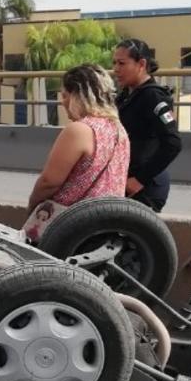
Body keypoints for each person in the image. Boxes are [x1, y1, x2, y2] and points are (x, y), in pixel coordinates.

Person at [22, 64, 130, 244]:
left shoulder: (79, 130)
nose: (62, 102)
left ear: (78, 95)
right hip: (107, 224)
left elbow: (49, 183)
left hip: (71, 227)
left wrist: (33, 206)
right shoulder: (119, 130)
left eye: (64, 95)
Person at [112, 38, 182, 212]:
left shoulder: (153, 97)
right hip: (125, 181)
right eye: (114, 63)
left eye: (122, 63)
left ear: (141, 64)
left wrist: (140, 180)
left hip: (145, 187)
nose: (116, 69)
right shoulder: (126, 96)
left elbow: (173, 143)